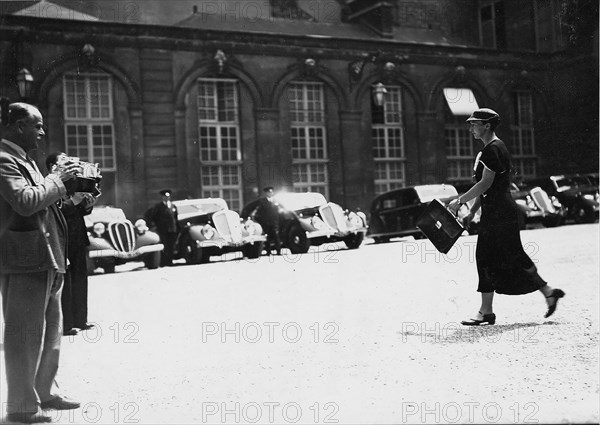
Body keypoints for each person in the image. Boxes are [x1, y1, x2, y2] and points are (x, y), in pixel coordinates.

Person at [0, 102, 81, 423]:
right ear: (19, 126)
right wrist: (58, 180)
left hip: (46, 257)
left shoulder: (25, 161)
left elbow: (44, 203)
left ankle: (44, 391)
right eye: (37, 125)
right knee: (23, 334)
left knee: (50, 331)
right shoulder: (4, 160)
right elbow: (25, 202)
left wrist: (73, 196)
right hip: (23, 261)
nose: (43, 132)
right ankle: (21, 406)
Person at [447, 108, 565, 326]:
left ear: (487, 126)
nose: (471, 128)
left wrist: (460, 201)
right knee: (509, 255)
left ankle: (486, 311)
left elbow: (485, 184)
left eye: (475, 124)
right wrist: (473, 211)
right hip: (498, 210)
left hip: (499, 212)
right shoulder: (491, 149)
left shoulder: (493, 149)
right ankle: (547, 293)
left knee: (487, 256)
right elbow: (486, 189)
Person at [46, 152, 97, 336]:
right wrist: (74, 202)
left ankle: (80, 320)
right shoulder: (50, 183)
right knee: (65, 283)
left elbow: (79, 211)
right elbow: (56, 210)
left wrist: (88, 204)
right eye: (64, 161)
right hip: (63, 238)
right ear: (53, 166)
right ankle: (66, 324)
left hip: (77, 237)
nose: (69, 164)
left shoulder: (72, 182)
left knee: (80, 279)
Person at [144, 189, 178, 266]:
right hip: (163, 230)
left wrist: (177, 228)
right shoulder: (158, 207)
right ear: (162, 197)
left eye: (168, 196)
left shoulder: (173, 206)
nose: (167, 198)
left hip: (172, 230)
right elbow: (150, 216)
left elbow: (175, 218)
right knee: (164, 246)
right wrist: (154, 226)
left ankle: (170, 261)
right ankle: (163, 262)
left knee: (171, 246)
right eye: (165, 197)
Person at [252, 186, 282, 255]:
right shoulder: (263, 201)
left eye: (271, 192)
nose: (270, 193)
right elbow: (260, 212)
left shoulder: (275, 201)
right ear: (266, 193)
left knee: (276, 237)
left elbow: (278, 212)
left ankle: (278, 251)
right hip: (266, 223)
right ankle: (268, 251)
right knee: (267, 237)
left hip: (274, 222)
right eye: (269, 192)